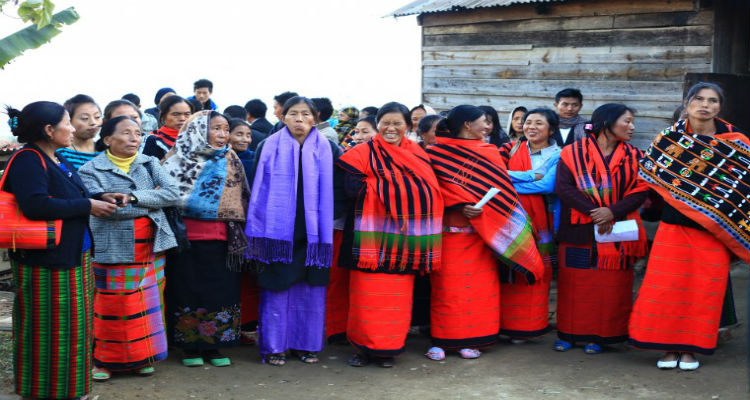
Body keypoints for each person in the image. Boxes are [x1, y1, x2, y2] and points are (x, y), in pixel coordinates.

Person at [629, 82, 750, 370]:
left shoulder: (737, 144)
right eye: (699, 99)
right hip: (673, 228)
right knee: (667, 289)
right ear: (687, 103)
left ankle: (691, 350)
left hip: (713, 233)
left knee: (702, 291)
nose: (705, 105)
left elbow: (743, 189)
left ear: (720, 107)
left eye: (712, 100)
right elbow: (650, 178)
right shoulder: (667, 139)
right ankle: (668, 348)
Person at [4, 101, 118, 399]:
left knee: (75, 330)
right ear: (49, 129)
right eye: (68, 122)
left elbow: (70, 194)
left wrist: (99, 196)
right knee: (47, 331)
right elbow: (36, 204)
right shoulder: (28, 159)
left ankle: (70, 389)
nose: (72, 128)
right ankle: (43, 391)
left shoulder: (54, 158)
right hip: (45, 261)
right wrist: (87, 205)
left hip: (72, 255)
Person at [424, 105, 546, 361]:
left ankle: (473, 339)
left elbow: (501, 191)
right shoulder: (436, 153)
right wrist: (458, 204)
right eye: (484, 121)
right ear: (467, 124)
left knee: (478, 290)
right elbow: (431, 188)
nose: (489, 126)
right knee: (447, 289)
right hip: (449, 232)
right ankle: (442, 340)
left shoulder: (489, 151)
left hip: (484, 233)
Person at [338, 102, 444, 368]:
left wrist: (387, 187)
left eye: (398, 123)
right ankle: (361, 349)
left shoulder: (420, 155)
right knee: (365, 297)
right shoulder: (360, 153)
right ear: (377, 125)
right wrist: (400, 190)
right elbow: (351, 189)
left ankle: (388, 350)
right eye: (386, 122)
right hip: (368, 238)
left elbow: (431, 193)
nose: (391, 128)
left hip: (403, 240)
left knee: (396, 299)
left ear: (408, 126)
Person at [78, 116, 179, 381]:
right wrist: (149, 202)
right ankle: (104, 361)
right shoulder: (90, 169)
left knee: (147, 304)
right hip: (111, 247)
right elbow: (106, 211)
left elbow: (172, 194)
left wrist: (133, 197)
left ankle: (142, 358)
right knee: (111, 306)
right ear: (108, 139)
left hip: (151, 247)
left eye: (137, 133)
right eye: (126, 133)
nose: (134, 138)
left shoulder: (150, 163)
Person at [246, 96, 343, 366]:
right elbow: (256, 187)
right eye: (293, 114)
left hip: (315, 234)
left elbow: (339, 188)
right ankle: (275, 346)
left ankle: (306, 345)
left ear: (316, 119)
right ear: (282, 117)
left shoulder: (329, 149)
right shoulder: (267, 146)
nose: (299, 119)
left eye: (305, 114)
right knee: (277, 287)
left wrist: (326, 217)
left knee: (310, 288)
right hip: (276, 231)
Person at [554, 103, 648, 354]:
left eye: (632, 121)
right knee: (575, 283)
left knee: (611, 285)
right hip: (578, 229)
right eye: (626, 121)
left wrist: (611, 212)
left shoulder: (636, 156)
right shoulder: (571, 153)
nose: (632, 127)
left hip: (616, 229)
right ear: (607, 122)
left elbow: (640, 190)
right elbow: (564, 188)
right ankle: (570, 333)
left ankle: (603, 336)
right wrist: (595, 213)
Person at [163, 110, 250, 367]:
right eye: (216, 128)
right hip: (185, 239)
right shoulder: (176, 158)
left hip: (222, 239)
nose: (223, 135)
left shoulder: (231, 158)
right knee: (186, 290)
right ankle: (189, 347)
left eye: (225, 129)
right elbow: (165, 196)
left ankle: (215, 346)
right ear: (199, 129)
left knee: (220, 291)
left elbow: (242, 196)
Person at [498, 108, 563, 344]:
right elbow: (495, 175)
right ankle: (506, 323)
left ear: (552, 129)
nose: (531, 127)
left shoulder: (559, 154)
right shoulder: (512, 148)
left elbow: (546, 185)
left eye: (538, 123)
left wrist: (508, 181)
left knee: (537, 270)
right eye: (528, 122)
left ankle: (528, 326)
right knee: (511, 268)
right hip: (511, 220)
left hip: (543, 220)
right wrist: (529, 175)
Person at [227, 117, 260, 344]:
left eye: (248, 135)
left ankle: (248, 326)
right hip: (231, 226)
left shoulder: (255, 159)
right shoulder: (224, 160)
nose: (245, 139)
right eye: (239, 134)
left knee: (250, 277)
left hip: (252, 225)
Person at [56, 94, 102, 170]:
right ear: (69, 121)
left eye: (97, 117)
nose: (93, 122)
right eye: (85, 118)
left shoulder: (108, 152)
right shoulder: (60, 154)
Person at [142, 96, 192, 161]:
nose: (182, 118)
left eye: (187, 114)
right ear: (163, 117)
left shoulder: (197, 139)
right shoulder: (153, 140)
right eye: (176, 114)